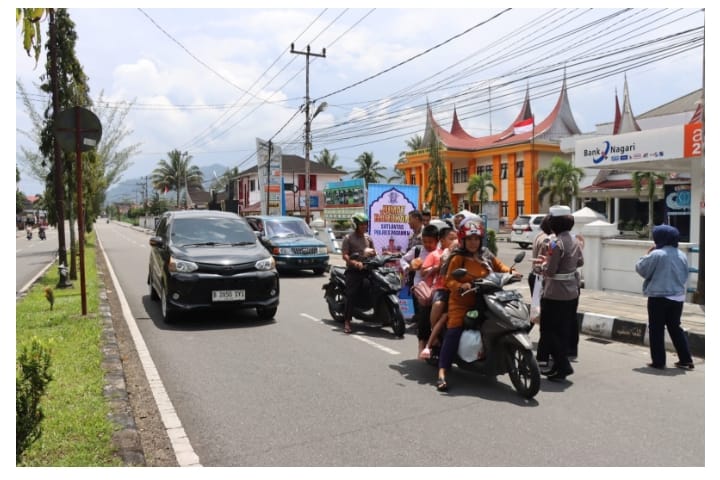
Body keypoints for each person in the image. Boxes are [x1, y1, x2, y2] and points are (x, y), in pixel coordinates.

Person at [436, 221, 518, 392]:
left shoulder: (485, 254)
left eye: (476, 239)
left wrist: (511, 273)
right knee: (454, 331)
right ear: (463, 240)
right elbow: (449, 279)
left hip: (487, 297)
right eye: (469, 239)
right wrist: (460, 286)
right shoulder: (458, 257)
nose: (473, 242)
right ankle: (442, 371)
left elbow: (499, 266)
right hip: (462, 301)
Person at [535, 205, 584, 381]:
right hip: (572, 290)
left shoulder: (555, 243)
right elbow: (580, 262)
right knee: (563, 330)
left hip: (555, 292)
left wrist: (541, 265)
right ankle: (559, 365)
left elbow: (549, 271)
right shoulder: (575, 241)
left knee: (549, 330)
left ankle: (562, 366)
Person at [635, 225, 694, 370]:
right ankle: (686, 359)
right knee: (675, 328)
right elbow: (685, 275)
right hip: (678, 297)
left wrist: (647, 254)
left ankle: (659, 361)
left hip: (659, 297)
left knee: (656, 329)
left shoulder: (657, 254)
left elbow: (641, 268)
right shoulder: (681, 254)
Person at [419, 220, 458, 359]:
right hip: (441, 288)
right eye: (451, 238)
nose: (455, 240)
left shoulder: (460, 253)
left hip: (457, 288)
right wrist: (436, 267)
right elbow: (423, 272)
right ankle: (433, 334)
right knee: (438, 305)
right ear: (442, 240)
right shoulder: (436, 254)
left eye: (456, 238)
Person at [400, 224, 439, 357]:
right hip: (420, 287)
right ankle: (422, 343)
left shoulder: (441, 252)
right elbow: (403, 259)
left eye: (431, 242)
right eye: (425, 241)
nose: (428, 245)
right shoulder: (417, 250)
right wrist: (409, 267)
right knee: (424, 314)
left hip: (438, 287)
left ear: (437, 240)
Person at [341, 212, 376, 334]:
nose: (364, 226)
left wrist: (376, 255)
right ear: (355, 225)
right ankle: (347, 321)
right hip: (354, 271)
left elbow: (374, 252)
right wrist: (354, 263)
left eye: (366, 224)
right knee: (351, 294)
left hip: (367, 269)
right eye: (362, 224)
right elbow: (345, 255)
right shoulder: (348, 238)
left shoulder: (368, 238)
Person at [529, 215, 553, 367]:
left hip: (534, 276)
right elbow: (545, 262)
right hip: (540, 278)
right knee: (542, 313)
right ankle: (544, 350)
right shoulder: (548, 240)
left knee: (537, 310)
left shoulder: (539, 235)